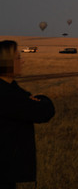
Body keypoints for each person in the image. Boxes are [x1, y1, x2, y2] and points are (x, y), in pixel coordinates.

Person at [1, 40, 55, 189]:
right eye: (18, 58)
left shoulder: (11, 90)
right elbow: (44, 113)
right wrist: (42, 100)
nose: (22, 61)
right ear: (6, 62)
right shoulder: (7, 95)